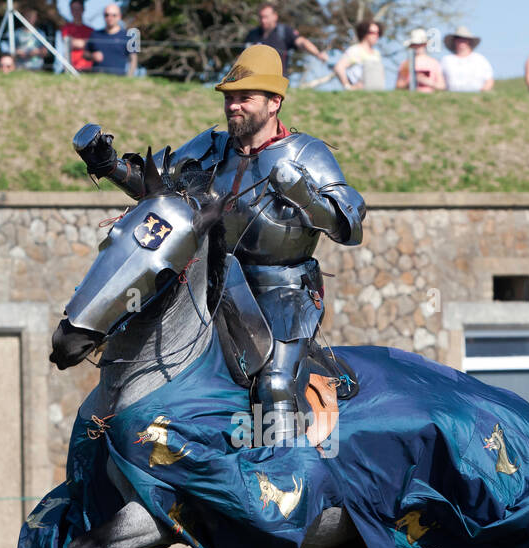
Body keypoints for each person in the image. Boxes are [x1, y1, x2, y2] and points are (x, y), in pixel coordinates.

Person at [72, 45, 366, 444]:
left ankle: (280, 485)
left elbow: (349, 227)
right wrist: (110, 166)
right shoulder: (212, 147)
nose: (233, 107)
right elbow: (159, 191)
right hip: (211, 284)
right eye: (229, 98)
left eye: (244, 98)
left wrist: (303, 194)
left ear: (274, 102)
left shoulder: (306, 153)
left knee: (275, 385)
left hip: (282, 293)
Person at [245, 2, 326, 74]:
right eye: (261, 17)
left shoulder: (284, 31)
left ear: (275, 16)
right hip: (254, 79)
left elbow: (302, 42)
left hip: (277, 80)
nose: (263, 20)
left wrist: (317, 53)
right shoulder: (252, 34)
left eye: (266, 17)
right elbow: (242, 57)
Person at [333, 19, 382, 90]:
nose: (376, 36)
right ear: (364, 33)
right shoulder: (355, 50)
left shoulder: (376, 53)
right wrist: (348, 86)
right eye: (373, 33)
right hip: (360, 93)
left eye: (378, 33)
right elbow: (339, 67)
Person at [440, 25, 492, 92]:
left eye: (464, 39)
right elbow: (440, 80)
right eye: (458, 38)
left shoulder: (480, 59)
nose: (461, 41)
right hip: (452, 94)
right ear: (454, 41)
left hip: (475, 95)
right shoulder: (446, 60)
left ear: (469, 41)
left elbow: (489, 80)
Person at [87, 3, 135, 76]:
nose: (110, 17)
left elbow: (133, 59)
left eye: (114, 15)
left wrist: (129, 78)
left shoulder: (128, 36)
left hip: (119, 80)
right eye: (107, 15)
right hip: (97, 79)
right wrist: (92, 56)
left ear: (119, 16)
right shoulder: (95, 34)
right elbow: (85, 54)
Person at [395, 27, 443, 92]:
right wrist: (411, 82)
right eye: (415, 44)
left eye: (420, 44)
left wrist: (427, 82)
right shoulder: (405, 64)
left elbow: (442, 86)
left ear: (425, 44)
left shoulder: (434, 63)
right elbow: (399, 86)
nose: (417, 47)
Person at [59, 0, 92, 73]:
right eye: (73, 9)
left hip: (88, 68)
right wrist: (87, 42)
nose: (76, 12)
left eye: (78, 9)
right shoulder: (66, 28)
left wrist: (79, 42)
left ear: (83, 10)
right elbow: (68, 43)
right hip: (71, 67)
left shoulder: (91, 30)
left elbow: (94, 46)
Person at [13, 7, 46, 71]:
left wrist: (37, 52)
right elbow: (9, 49)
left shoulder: (41, 33)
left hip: (37, 67)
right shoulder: (17, 33)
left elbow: (45, 51)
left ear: (36, 18)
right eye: (28, 16)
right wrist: (18, 53)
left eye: (33, 16)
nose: (30, 18)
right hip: (20, 67)